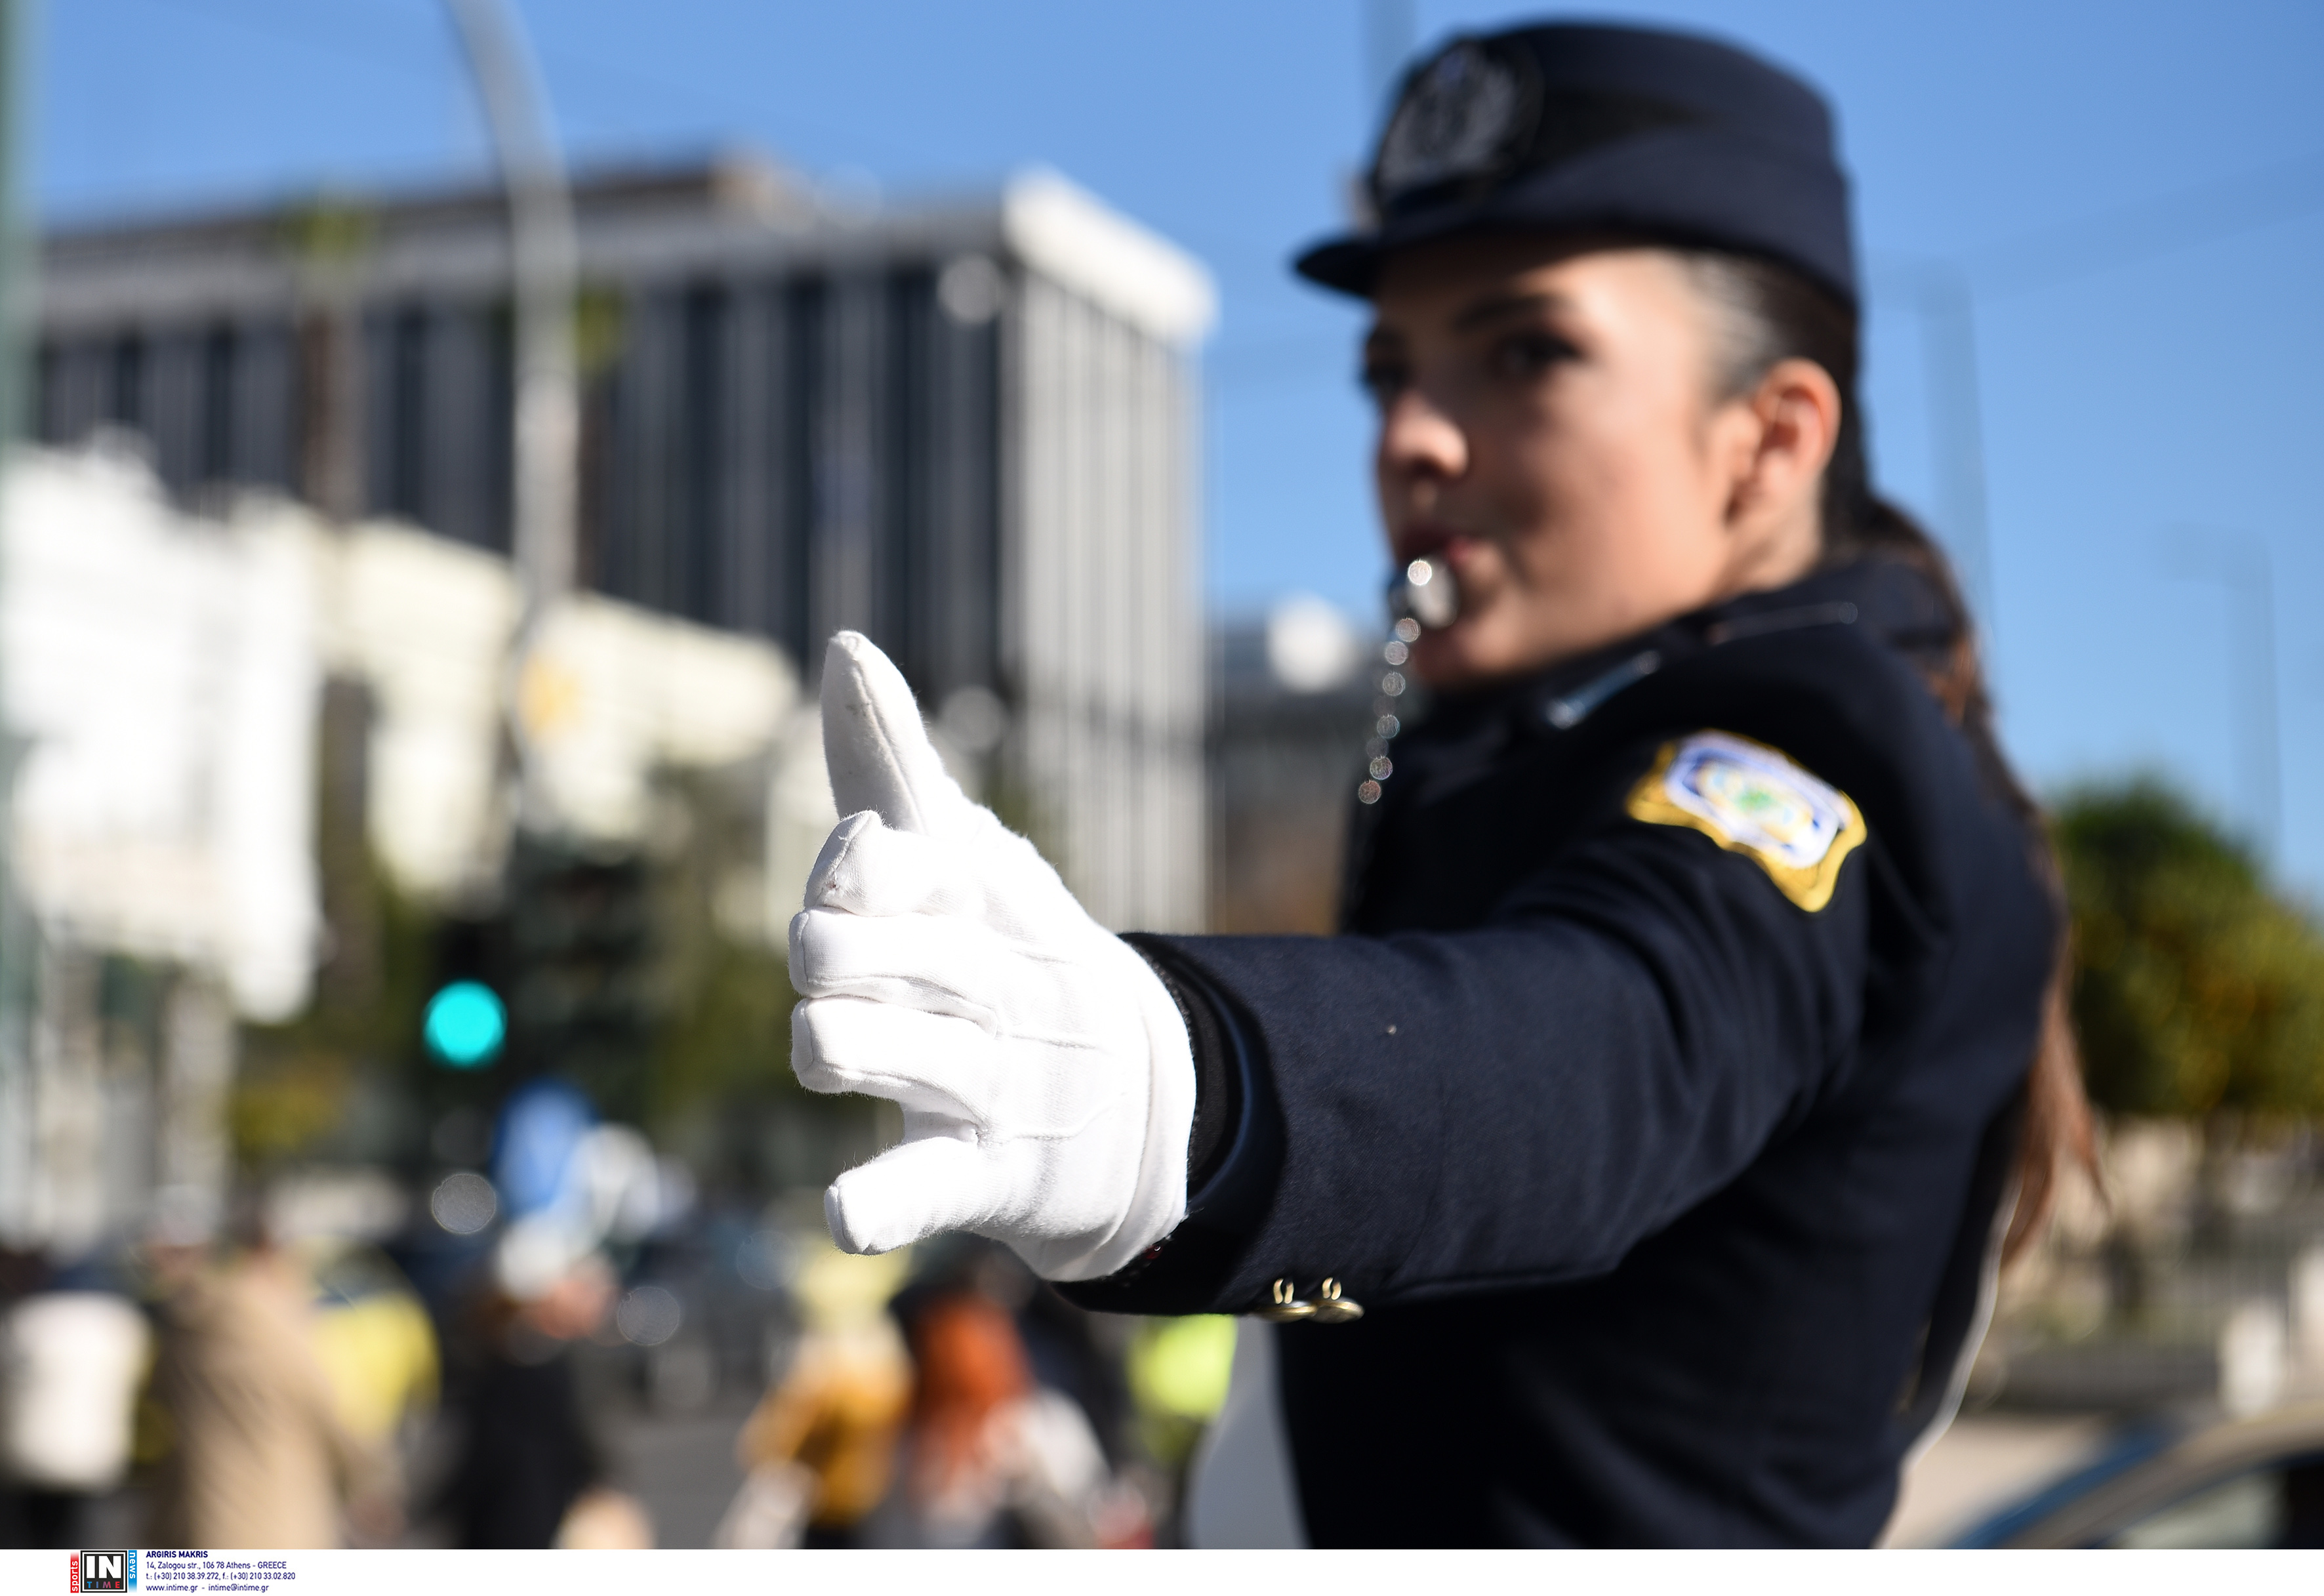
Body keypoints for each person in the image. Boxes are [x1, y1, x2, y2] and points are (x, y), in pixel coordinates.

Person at [784, 20, 2092, 1547]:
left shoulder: (1801, 764)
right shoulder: (1536, 741)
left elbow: (1600, 1039)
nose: (1407, 434)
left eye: (1525, 351)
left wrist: (1190, 1087)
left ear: (1767, 440)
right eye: (1389, 370)